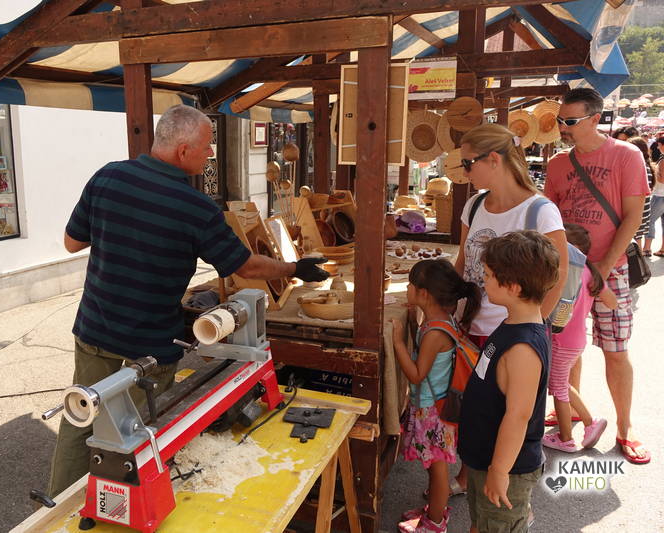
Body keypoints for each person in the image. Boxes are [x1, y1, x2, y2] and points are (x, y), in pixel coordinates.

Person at [48, 104, 329, 497]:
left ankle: (58, 507)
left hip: (96, 325)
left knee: (82, 416)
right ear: (182, 151)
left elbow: (72, 242)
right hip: (149, 343)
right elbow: (245, 266)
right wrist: (294, 267)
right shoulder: (196, 208)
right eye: (207, 146)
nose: (211, 154)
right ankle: (120, 504)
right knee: (131, 432)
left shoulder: (108, 176)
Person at [451, 123, 568, 493]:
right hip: (472, 327)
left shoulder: (540, 211)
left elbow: (558, 275)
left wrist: (532, 327)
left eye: (467, 163)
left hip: (512, 335)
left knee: (511, 412)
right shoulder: (473, 205)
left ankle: (510, 488)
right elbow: (463, 262)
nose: (464, 172)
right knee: (476, 407)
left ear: (493, 159)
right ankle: (470, 474)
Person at [544, 87, 651, 465]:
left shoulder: (626, 155)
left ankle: (625, 426)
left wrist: (603, 268)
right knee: (566, 345)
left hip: (613, 268)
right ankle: (569, 409)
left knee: (615, 350)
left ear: (594, 119)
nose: (563, 127)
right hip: (567, 271)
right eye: (560, 120)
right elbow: (551, 217)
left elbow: (634, 217)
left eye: (570, 121)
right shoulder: (557, 163)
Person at [458, 231, 558, 533]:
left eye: (489, 275)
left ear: (513, 287)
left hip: (506, 468)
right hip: (486, 458)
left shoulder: (523, 348)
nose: (483, 280)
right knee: (482, 522)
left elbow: (518, 416)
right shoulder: (514, 322)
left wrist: (500, 471)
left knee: (497, 524)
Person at [390, 260, 480, 533]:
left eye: (410, 285)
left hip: (433, 412)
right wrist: (412, 319)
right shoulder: (439, 320)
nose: (406, 289)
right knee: (432, 464)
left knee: (437, 469)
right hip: (436, 406)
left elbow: (417, 375)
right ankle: (434, 510)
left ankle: (436, 522)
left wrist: (397, 343)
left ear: (424, 293)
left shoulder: (434, 332)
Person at [542, 224, 616, 453]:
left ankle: (567, 437)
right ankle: (589, 422)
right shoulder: (590, 273)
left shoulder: (564, 275)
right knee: (561, 384)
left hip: (561, 340)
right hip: (576, 341)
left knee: (558, 388)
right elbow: (612, 302)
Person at [627, 137, 653, 248]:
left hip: (638, 211)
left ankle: (638, 258)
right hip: (642, 210)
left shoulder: (640, 166)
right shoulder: (645, 165)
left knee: (634, 241)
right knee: (637, 239)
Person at [643, 135, 664, 257]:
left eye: (659, 145)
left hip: (660, 195)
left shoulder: (663, 160)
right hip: (661, 195)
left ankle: (647, 248)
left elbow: (662, 180)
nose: (658, 147)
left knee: (649, 220)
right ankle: (662, 249)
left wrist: (655, 172)